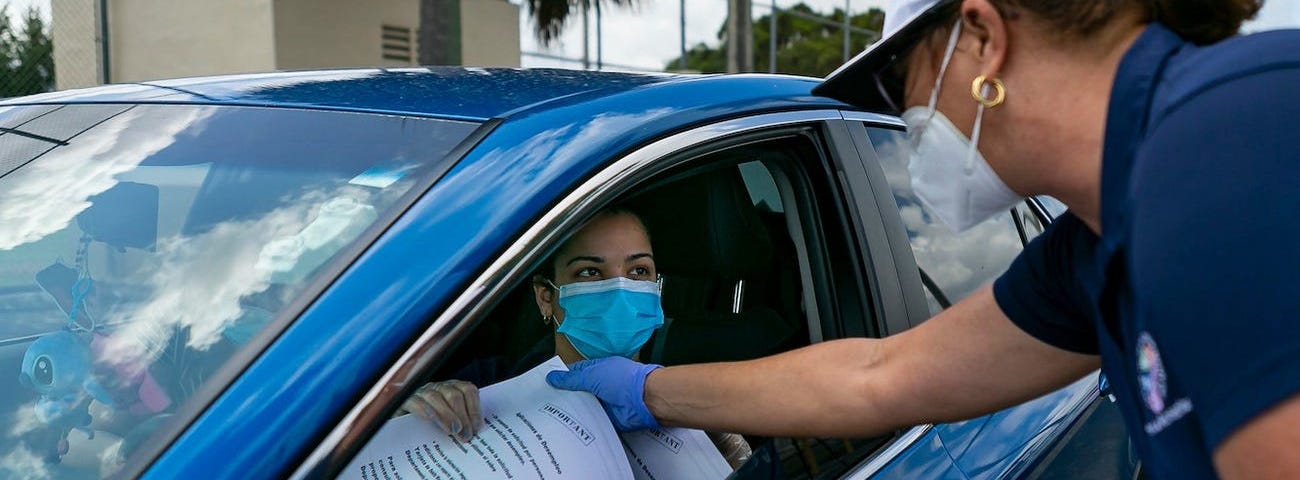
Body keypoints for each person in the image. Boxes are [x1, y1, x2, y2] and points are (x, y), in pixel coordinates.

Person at [544, 0, 1300, 478]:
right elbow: (881, 374)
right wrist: (646, 392)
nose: (906, 119)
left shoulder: (1228, 140)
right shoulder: (1092, 247)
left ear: (981, 37)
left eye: (899, 80)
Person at [396, 206, 752, 468]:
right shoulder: (486, 389)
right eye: (590, 272)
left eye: (638, 271)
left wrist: (734, 459)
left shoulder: (695, 412)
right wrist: (407, 415)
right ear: (545, 295)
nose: (619, 287)